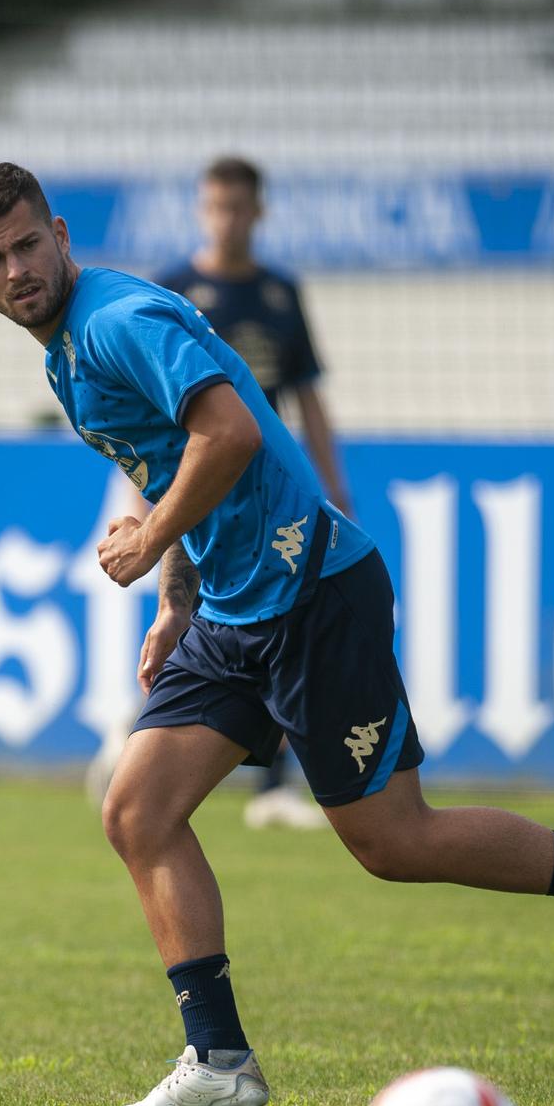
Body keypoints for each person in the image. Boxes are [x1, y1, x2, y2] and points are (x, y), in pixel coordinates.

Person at [0, 162, 554, 1106]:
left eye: (29, 244)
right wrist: (178, 600)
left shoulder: (115, 321)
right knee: (137, 811)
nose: (18, 268)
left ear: (61, 234)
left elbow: (228, 434)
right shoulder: (65, 348)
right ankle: (220, 1058)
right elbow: (174, 460)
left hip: (313, 593)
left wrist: (149, 543)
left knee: (397, 841)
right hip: (233, 609)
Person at [155, 156, 346, 832]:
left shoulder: (280, 293)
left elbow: (307, 396)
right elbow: (151, 412)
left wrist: (333, 484)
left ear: (258, 212)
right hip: (198, 493)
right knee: (189, 619)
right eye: (215, 206)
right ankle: (153, 743)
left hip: (272, 497)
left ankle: (272, 781)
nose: (227, 219)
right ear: (202, 209)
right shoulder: (174, 292)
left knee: (280, 626)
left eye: (238, 207)